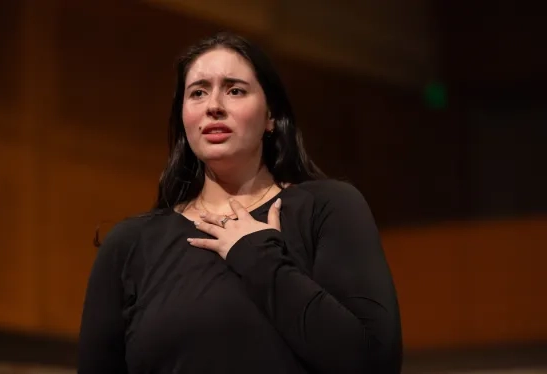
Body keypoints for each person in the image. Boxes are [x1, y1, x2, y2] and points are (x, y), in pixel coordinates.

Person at [78, 31, 402, 373]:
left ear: (270, 116)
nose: (213, 106)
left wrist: (259, 256)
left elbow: (374, 361)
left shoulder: (327, 208)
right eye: (198, 92)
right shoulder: (131, 245)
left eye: (235, 90)